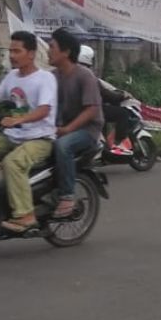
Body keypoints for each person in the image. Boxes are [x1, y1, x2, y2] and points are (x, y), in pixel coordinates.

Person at [0, 31, 57, 233]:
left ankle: (26, 215)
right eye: (10, 50)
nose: (12, 55)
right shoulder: (11, 77)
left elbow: (44, 109)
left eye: (17, 51)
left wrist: (19, 119)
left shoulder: (45, 78)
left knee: (12, 163)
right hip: (13, 136)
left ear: (31, 54)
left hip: (40, 139)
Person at [48, 29, 104, 218]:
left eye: (52, 47)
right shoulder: (52, 77)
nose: (48, 51)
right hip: (60, 127)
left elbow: (92, 110)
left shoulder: (85, 76)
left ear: (66, 52)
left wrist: (67, 129)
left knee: (63, 146)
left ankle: (67, 196)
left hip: (87, 130)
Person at [79, 46, 135, 154]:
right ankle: (118, 142)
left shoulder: (70, 73)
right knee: (123, 114)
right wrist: (122, 96)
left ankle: (104, 146)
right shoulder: (88, 75)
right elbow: (106, 94)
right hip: (91, 110)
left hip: (78, 111)